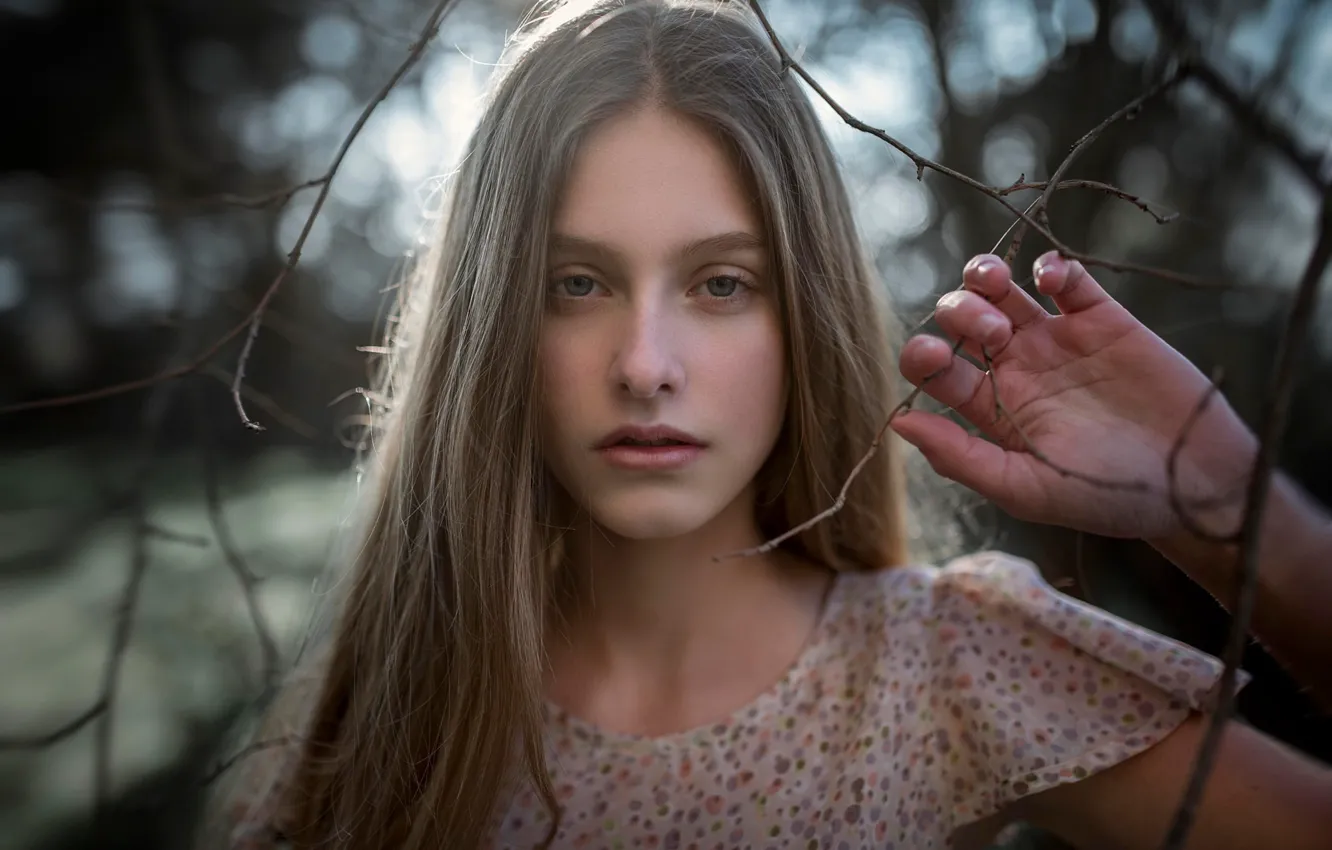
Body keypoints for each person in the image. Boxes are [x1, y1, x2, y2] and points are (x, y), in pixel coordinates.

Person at [202, 1, 1332, 848]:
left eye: (721, 284)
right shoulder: (366, 739)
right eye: (576, 284)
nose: (645, 367)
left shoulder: (951, 667)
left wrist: (1243, 517)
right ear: (489, 325)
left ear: (804, 316)